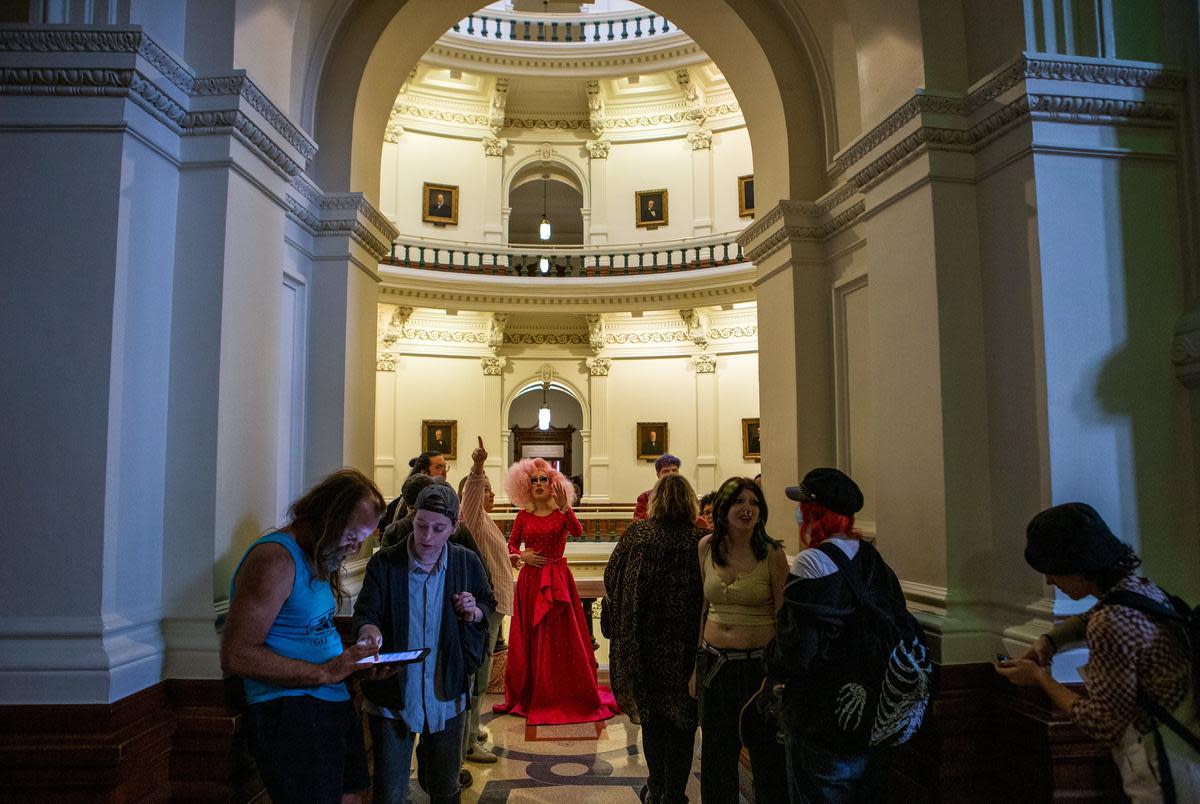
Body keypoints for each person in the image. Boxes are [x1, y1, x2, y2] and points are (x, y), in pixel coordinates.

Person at [996, 503, 1197, 804]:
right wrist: (1050, 641)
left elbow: (1104, 723)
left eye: (1052, 570)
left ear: (1077, 565)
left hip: (1159, 766)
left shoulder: (1110, 623)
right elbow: (1096, 614)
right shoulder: (1141, 587)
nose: (1049, 581)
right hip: (1186, 748)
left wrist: (1040, 678)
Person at [220, 468, 385, 804]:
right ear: (328, 515)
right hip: (291, 711)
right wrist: (325, 672)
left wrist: (357, 663)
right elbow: (237, 654)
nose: (353, 549)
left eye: (362, 540)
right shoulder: (275, 560)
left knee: (354, 794)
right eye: (352, 536)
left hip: (330, 701)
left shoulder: (320, 556)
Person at [767, 466, 906, 803]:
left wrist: (772, 667)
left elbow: (797, 647)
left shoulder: (811, 562)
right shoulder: (872, 558)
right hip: (873, 717)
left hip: (822, 717)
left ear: (813, 512)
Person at [353, 483, 496, 804]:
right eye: (421, 525)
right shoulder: (385, 564)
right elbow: (366, 613)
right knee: (390, 792)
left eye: (438, 528)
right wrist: (369, 632)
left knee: (445, 788)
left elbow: (488, 602)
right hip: (393, 697)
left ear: (454, 528)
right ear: (412, 518)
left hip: (446, 693)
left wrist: (474, 612)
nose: (427, 537)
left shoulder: (466, 562)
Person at [493, 457, 618, 724]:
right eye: (533, 480)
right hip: (530, 583)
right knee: (533, 638)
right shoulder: (523, 516)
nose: (538, 484)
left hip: (558, 581)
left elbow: (577, 530)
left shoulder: (561, 512)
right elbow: (511, 546)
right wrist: (522, 556)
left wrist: (565, 508)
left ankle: (561, 691)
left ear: (554, 484)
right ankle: (533, 692)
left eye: (544, 480)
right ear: (525, 486)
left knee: (560, 638)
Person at [606, 473, 706, 804]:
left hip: (645, 645)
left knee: (654, 720)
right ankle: (674, 793)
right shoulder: (701, 539)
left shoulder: (638, 534)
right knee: (683, 722)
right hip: (687, 647)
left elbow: (612, 577)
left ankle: (658, 785)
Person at [691, 476, 789, 804]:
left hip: (758, 671)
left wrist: (780, 675)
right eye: (739, 502)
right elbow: (702, 609)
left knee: (768, 760)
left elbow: (783, 616)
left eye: (754, 503)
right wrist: (695, 666)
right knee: (718, 758)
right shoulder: (706, 547)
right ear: (723, 508)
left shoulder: (772, 553)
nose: (747, 509)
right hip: (714, 666)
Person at [457, 437, 514, 764]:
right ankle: (466, 743)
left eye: (491, 489)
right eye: (487, 489)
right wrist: (478, 466)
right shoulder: (472, 516)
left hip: (493, 608)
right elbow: (473, 493)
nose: (491, 493)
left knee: (482, 670)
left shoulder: (486, 522)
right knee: (477, 675)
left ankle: (472, 729)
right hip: (484, 609)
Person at [381, 450, 447, 532]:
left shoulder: (447, 495)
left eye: (445, 467)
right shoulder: (405, 502)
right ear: (424, 472)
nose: (444, 472)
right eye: (438, 467)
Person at [634, 454, 706, 528]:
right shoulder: (645, 497)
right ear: (658, 475)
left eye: (674, 470)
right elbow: (639, 524)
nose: (671, 474)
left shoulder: (688, 494)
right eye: (666, 471)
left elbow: (697, 517)